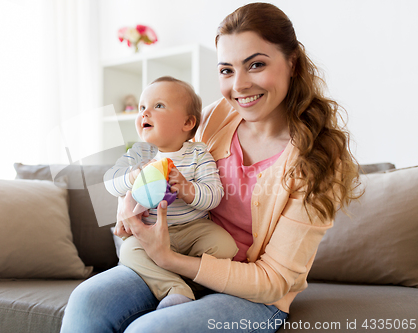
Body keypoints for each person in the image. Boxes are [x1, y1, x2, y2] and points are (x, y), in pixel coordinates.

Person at [60, 3, 360, 333]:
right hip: (181, 251)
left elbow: (274, 280)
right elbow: (161, 157)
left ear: (292, 63)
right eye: (227, 70)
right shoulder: (217, 116)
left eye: (256, 64)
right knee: (86, 300)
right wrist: (126, 200)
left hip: (253, 295)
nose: (240, 85)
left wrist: (169, 260)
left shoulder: (319, 158)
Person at [103, 76, 238, 309]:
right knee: (128, 252)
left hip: (193, 229)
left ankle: (187, 280)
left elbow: (214, 195)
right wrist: (134, 176)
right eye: (142, 107)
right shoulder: (138, 154)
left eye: (158, 106)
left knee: (225, 245)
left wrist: (188, 190)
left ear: (187, 123)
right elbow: (109, 183)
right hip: (148, 233)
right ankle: (176, 289)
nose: (145, 113)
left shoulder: (198, 154)